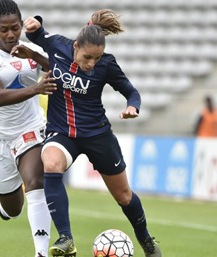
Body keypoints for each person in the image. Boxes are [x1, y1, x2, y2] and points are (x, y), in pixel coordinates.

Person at [23, 9, 162, 257]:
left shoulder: (107, 64)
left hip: (97, 134)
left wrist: (133, 106)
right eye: (87, 57)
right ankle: (66, 239)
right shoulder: (57, 46)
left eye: (96, 59)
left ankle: (147, 242)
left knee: (124, 195)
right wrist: (35, 23)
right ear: (75, 46)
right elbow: (36, 34)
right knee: (51, 163)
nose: (91, 64)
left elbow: (132, 92)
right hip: (62, 132)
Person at [0, 1, 57, 256]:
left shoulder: (30, 49)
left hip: (29, 128)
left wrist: (36, 56)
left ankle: (41, 252)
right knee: (13, 210)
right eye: (4, 30)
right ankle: (4, 205)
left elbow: (59, 68)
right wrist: (37, 89)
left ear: (21, 26)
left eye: (15, 28)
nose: (10, 35)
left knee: (35, 181)